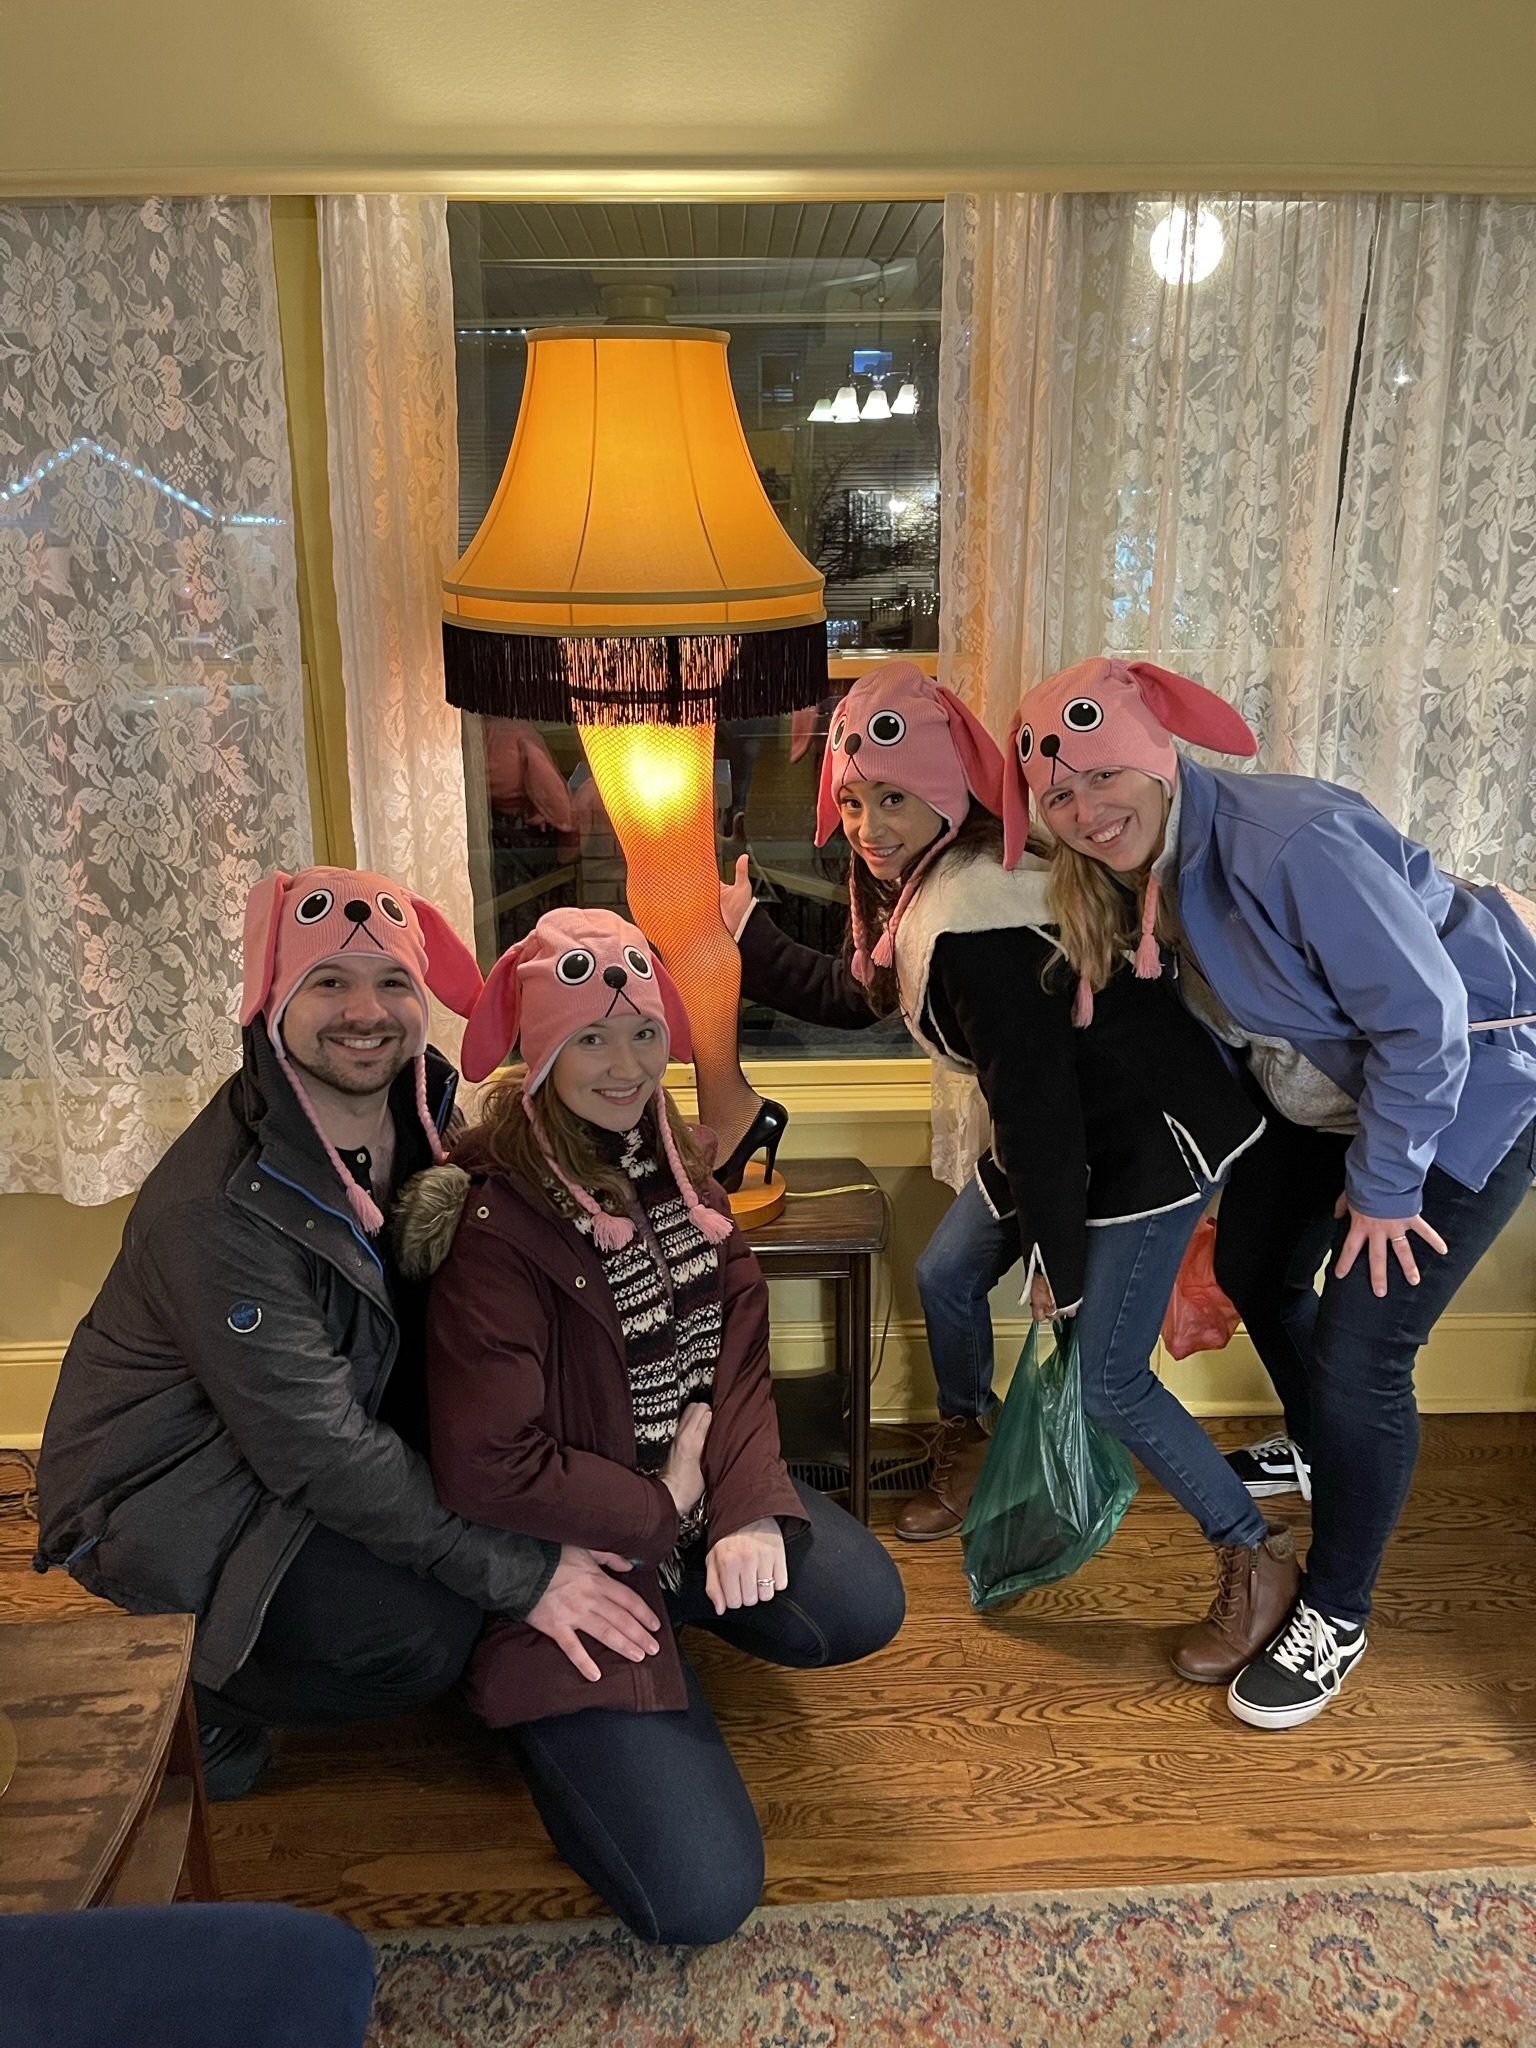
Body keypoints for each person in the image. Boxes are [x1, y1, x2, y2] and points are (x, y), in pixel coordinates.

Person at [35, 866, 664, 1801]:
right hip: (174, 1492)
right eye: (329, 982)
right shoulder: (218, 1209)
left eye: (393, 982)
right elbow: (320, 1452)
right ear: (271, 1000)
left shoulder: (425, 1123)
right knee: (421, 1640)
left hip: (310, 1437)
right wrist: (526, 1575)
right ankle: (204, 1701)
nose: (364, 1010)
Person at [726, 664, 1292, 1685]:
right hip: (1074, 1137)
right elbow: (866, 996)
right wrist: (744, 936)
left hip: (1147, 1147)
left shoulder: (982, 915)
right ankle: (972, 1437)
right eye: (853, 799)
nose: (867, 823)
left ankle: (1255, 1556)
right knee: (947, 1274)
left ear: (947, 792)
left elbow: (1043, 1119)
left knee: (1111, 1379)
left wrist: (1060, 1269)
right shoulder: (942, 890)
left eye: (892, 796)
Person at [1004, 655, 1536, 1728]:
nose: (1086, 808)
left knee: (1363, 1350)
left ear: (1159, 758)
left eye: (1102, 776)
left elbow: (1423, 1015)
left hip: (1469, 1080)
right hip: (1337, 1094)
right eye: (1059, 795)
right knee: (1252, 1264)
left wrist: (1386, 1189)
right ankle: (1315, 1437)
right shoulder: (1141, 872)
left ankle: (1335, 1605)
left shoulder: (1287, 841)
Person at [399, 907, 905, 1946]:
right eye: (589, 1035)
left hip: (671, 1505)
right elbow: (486, 1462)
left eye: (640, 1033)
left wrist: (749, 1509)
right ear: (539, 1050)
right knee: (702, 1896)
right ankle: (561, 1716)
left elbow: (738, 1351)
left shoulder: (673, 1159)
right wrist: (664, 1501)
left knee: (860, 1595)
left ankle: (682, 1609)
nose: (624, 1062)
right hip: (562, 1550)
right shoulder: (496, 1220)